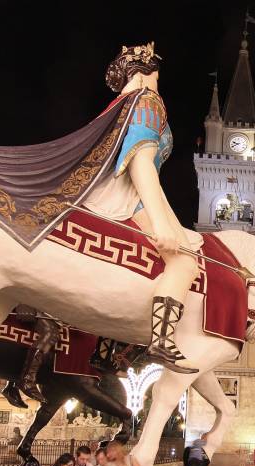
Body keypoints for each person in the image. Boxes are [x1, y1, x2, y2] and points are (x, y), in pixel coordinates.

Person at [82, 42, 199, 375]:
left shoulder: (121, 103)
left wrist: (176, 228)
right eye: (158, 75)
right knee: (184, 264)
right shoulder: (148, 102)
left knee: (179, 253)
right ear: (148, 73)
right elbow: (141, 164)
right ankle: (161, 341)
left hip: (124, 192)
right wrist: (163, 227)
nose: (159, 82)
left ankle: (104, 352)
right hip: (127, 196)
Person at [1, 304, 60, 406]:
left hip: (46, 309)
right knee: (51, 333)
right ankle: (27, 380)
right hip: (31, 304)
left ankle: (11, 385)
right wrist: (22, 303)